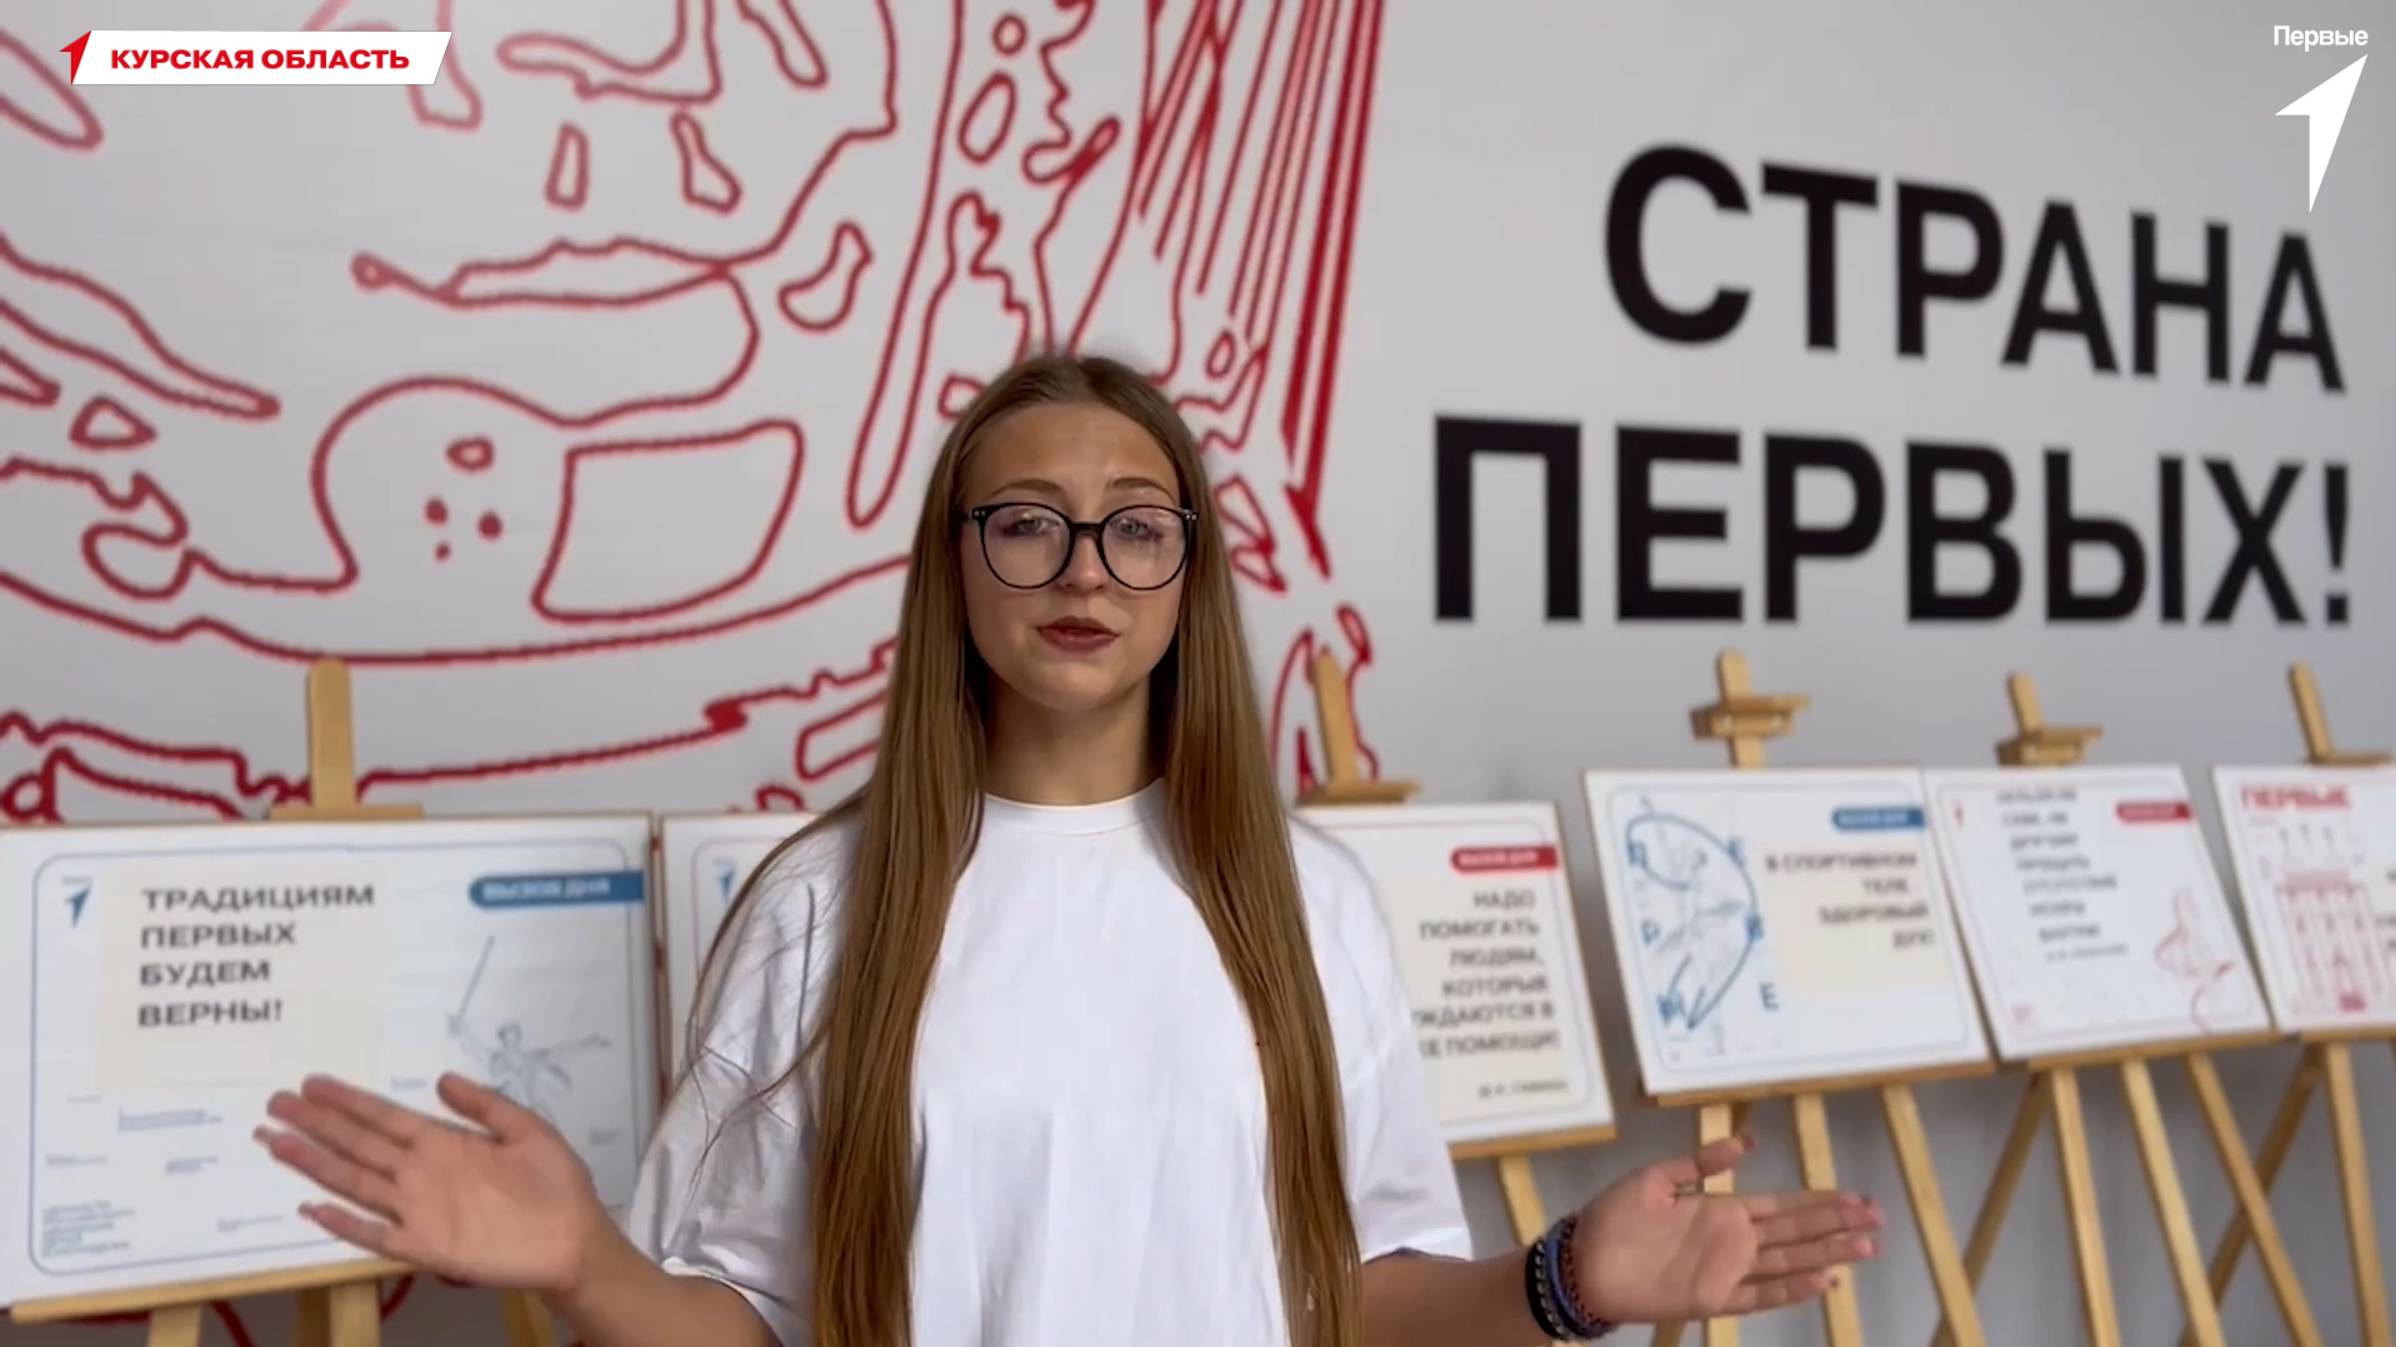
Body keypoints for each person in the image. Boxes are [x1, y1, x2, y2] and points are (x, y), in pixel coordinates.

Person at [253, 352, 1884, 1346]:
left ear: (1187, 577)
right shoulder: (823, 910)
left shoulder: (1307, 905)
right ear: (956, 568)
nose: (1082, 565)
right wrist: (587, 1265)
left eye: (1134, 525)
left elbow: (1356, 1307)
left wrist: (1563, 1283)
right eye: (1027, 520)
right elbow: (749, 1326)